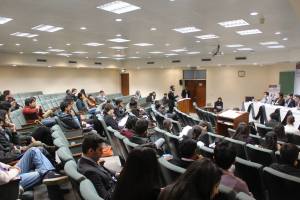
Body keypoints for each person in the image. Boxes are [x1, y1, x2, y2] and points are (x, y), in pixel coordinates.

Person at [0, 147, 67, 190]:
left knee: (33, 150)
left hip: (9, 172)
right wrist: (15, 170)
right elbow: (4, 178)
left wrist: (9, 167)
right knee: (44, 172)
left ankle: (51, 172)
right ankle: (52, 173)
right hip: (7, 183)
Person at [78, 134, 117, 199]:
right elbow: (106, 197)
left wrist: (118, 174)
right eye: (100, 150)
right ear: (90, 151)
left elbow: (104, 172)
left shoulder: (86, 161)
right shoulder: (90, 172)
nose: (102, 152)